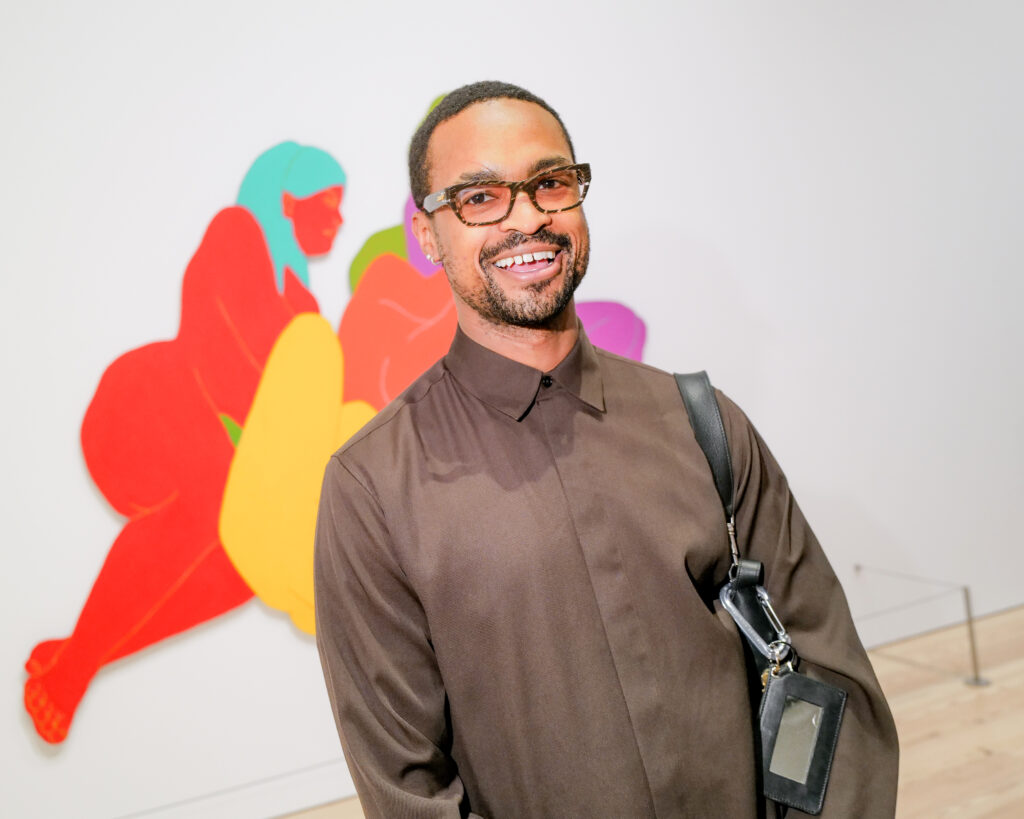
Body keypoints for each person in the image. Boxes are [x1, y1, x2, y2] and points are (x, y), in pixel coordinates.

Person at [314, 82, 899, 818]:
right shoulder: (371, 486)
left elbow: (822, 669)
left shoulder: (703, 423)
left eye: (550, 183)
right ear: (427, 235)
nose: (527, 217)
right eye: (480, 198)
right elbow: (408, 787)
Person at [25, 142, 345, 744]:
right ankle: (71, 669)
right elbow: (214, 352)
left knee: (240, 563)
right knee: (212, 502)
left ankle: (74, 659)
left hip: (210, 445)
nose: (339, 218)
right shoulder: (237, 233)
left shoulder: (302, 302)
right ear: (286, 201)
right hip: (142, 411)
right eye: (327, 202)